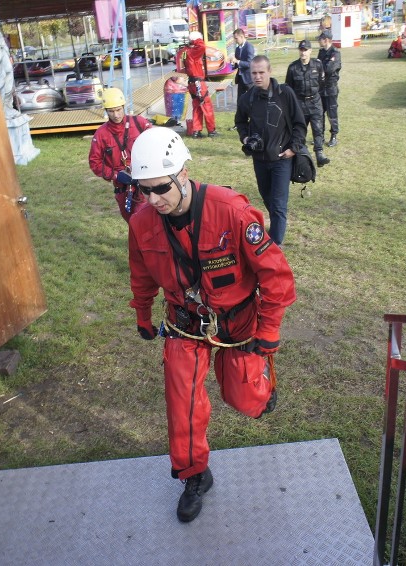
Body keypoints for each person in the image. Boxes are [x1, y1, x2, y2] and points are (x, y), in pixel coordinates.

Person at [127, 127, 296, 523]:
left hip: (237, 325)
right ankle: (194, 475)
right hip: (184, 326)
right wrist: (142, 313)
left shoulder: (231, 212)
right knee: (182, 403)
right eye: (143, 190)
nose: (152, 200)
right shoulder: (142, 222)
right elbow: (141, 273)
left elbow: (277, 277)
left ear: (183, 173)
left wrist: (268, 333)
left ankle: (260, 386)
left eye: (159, 188)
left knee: (245, 400)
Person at [234, 55, 306, 246]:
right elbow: (240, 122)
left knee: (278, 204)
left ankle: (275, 244)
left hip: (282, 158)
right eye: (254, 73)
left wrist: (293, 148)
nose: (257, 77)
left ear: (269, 71)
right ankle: (276, 225)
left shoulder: (285, 93)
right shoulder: (247, 98)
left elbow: (299, 123)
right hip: (259, 159)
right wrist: (245, 137)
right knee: (267, 198)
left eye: (261, 72)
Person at [88, 88, 153, 222]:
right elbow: (95, 163)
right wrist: (116, 175)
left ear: (124, 106)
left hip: (144, 183)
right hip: (123, 188)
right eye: (111, 111)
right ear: (106, 111)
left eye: (118, 110)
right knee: (132, 222)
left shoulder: (139, 123)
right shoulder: (101, 134)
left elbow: (155, 144)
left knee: (145, 221)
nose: (116, 115)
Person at [285, 40, 331, 168]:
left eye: (305, 50)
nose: (303, 52)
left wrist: (315, 96)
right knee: (300, 131)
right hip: (300, 103)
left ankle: (319, 154)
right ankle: (301, 157)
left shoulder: (317, 65)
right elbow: (289, 88)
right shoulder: (293, 67)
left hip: (315, 102)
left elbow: (321, 83)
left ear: (310, 51)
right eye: (301, 50)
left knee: (318, 129)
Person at [184, 31, 218, 138]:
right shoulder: (193, 52)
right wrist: (197, 39)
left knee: (197, 107)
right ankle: (211, 131)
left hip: (192, 83)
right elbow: (202, 46)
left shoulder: (186, 51)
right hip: (198, 83)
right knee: (206, 106)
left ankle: (196, 131)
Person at [316, 30, 341, 148]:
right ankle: (320, 136)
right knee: (320, 114)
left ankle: (334, 136)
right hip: (321, 88)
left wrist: (322, 68)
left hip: (331, 88)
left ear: (326, 40)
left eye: (320, 39)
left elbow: (329, 69)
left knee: (332, 114)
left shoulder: (335, 53)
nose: (319, 41)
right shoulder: (321, 52)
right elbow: (316, 67)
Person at [231, 28, 255, 100]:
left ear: (241, 36)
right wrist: (232, 64)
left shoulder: (249, 47)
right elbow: (236, 64)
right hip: (241, 78)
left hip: (249, 79)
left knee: (252, 100)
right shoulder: (237, 49)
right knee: (240, 100)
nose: (235, 41)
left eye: (236, 38)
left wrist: (237, 61)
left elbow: (250, 64)